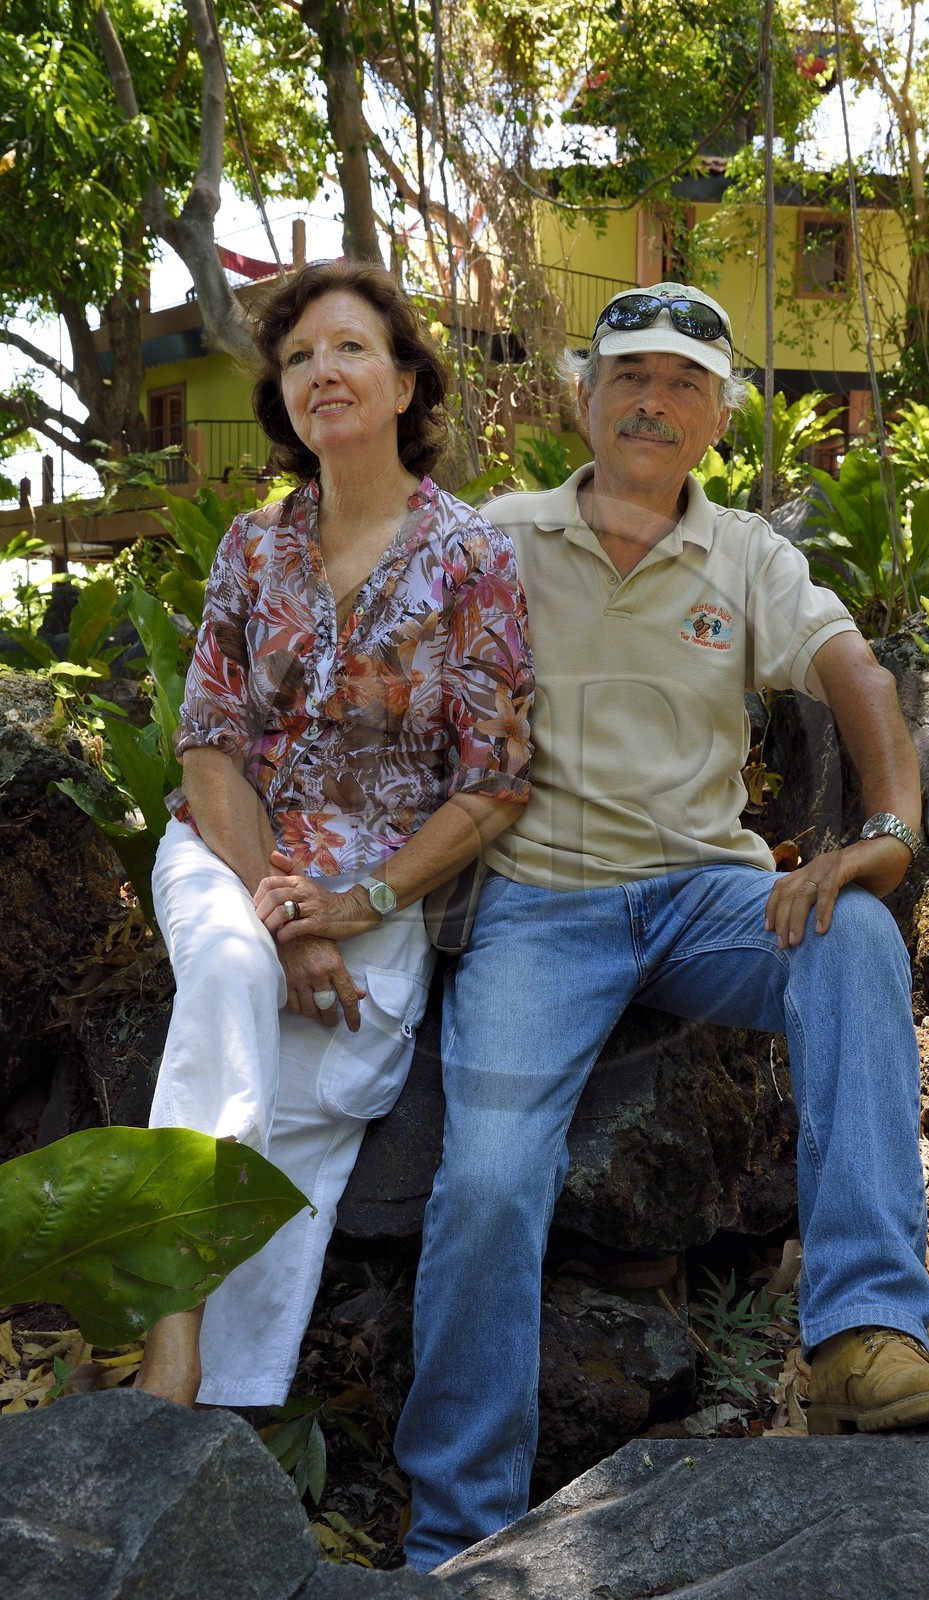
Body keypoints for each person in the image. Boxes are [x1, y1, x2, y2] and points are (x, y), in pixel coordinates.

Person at [393, 282, 929, 1571]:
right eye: (629, 376)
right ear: (584, 397)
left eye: (682, 383)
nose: (652, 402)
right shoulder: (495, 537)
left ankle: (863, 1336)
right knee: (489, 1180)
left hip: (707, 896)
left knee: (856, 935)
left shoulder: (749, 556)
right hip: (539, 906)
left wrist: (889, 828)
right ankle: (457, 1533)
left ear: (718, 418)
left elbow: (854, 673)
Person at [135, 261, 534, 1408]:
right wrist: (289, 917)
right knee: (227, 973)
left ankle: (228, 1409)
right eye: (300, 356)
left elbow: (493, 783)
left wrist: (355, 908)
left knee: (315, 1110)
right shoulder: (251, 547)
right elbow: (209, 749)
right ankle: (170, 1344)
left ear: (405, 383)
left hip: (378, 890)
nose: (322, 371)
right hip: (229, 852)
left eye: (350, 347)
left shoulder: (472, 559)